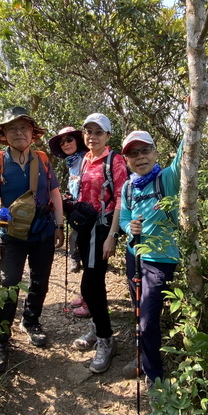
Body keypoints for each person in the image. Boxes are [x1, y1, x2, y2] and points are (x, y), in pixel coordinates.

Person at [0, 106, 65, 373]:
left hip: (43, 231)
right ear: (4, 134)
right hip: (11, 236)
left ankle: (31, 322)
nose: (19, 133)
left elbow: (54, 193)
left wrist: (60, 225)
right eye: (13, 128)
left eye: (24, 128)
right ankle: (1, 341)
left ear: (32, 133)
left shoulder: (42, 159)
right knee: (8, 285)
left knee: (40, 281)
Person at [119, 130, 182, 387]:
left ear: (155, 152)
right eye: (133, 153)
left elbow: (183, 158)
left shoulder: (166, 178)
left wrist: (194, 115)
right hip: (134, 255)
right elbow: (124, 218)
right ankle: (144, 359)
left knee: (147, 319)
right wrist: (128, 227)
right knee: (137, 313)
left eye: (145, 150)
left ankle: (154, 376)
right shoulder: (128, 186)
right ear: (127, 160)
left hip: (161, 260)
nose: (140, 157)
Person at [71, 113, 129, 373]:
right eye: (88, 131)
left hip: (103, 228)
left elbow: (120, 199)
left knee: (90, 285)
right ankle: (97, 326)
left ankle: (106, 340)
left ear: (107, 135)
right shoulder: (85, 159)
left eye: (97, 132)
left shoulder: (114, 161)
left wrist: (112, 236)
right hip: (85, 228)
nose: (91, 136)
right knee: (93, 282)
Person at [48, 126, 90, 318]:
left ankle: (90, 301)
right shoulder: (72, 162)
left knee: (90, 259)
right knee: (84, 253)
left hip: (89, 216)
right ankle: (85, 294)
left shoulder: (85, 158)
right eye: (62, 141)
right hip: (78, 215)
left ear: (78, 140)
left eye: (69, 139)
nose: (66, 144)